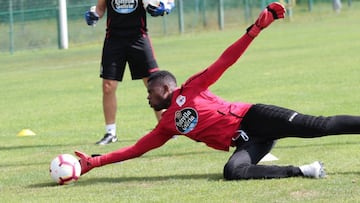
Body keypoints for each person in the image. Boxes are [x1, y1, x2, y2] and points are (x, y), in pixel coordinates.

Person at [76, 2, 360, 180]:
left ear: (165, 88)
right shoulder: (166, 126)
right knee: (232, 172)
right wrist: (94, 162)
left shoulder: (193, 87)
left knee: (320, 126)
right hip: (248, 141)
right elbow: (135, 150)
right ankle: (303, 170)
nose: (147, 97)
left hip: (255, 118)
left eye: (150, 93)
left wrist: (255, 30)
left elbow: (226, 60)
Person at [84, 0, 175, 145]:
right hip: (114, 40)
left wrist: (165, 7)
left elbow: (163, 4)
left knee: (155, 84)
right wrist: (93, 14)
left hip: (138, 38)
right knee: (108, 86)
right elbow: (101, 8)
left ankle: (167, 127)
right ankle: (110, 133)